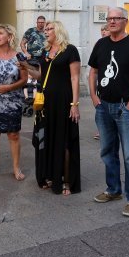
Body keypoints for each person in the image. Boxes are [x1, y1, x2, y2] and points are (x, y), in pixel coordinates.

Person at [88, 7, 129, 217]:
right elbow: (93, 71)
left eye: (116, 18)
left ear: (125, 21)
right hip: (103, 106)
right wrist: (95, 98)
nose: (112, 21)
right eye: (109, 18)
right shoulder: (101, 44)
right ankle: (113, 189)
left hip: (126, 108)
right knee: (107, 151)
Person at [25, 21, 81, 195]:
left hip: (64, 101)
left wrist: (74, 104)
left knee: (64, 140)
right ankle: (49, 175)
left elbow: (75, 78)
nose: (46, 31)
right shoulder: (45, 51)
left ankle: (66, 181)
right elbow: (40, 75)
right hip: (46, 102)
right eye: (46, 29)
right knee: (47, 138)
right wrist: (26, 67)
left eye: (50, 29)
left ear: (58, 31)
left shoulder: (70, 50)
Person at [0, 24, 28, 181]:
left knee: (13, 134)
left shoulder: (19, 57)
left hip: (12, 101)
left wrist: (10, 87)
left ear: (9, 37)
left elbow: (24, 79)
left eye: (1, 33)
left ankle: (16, 167)